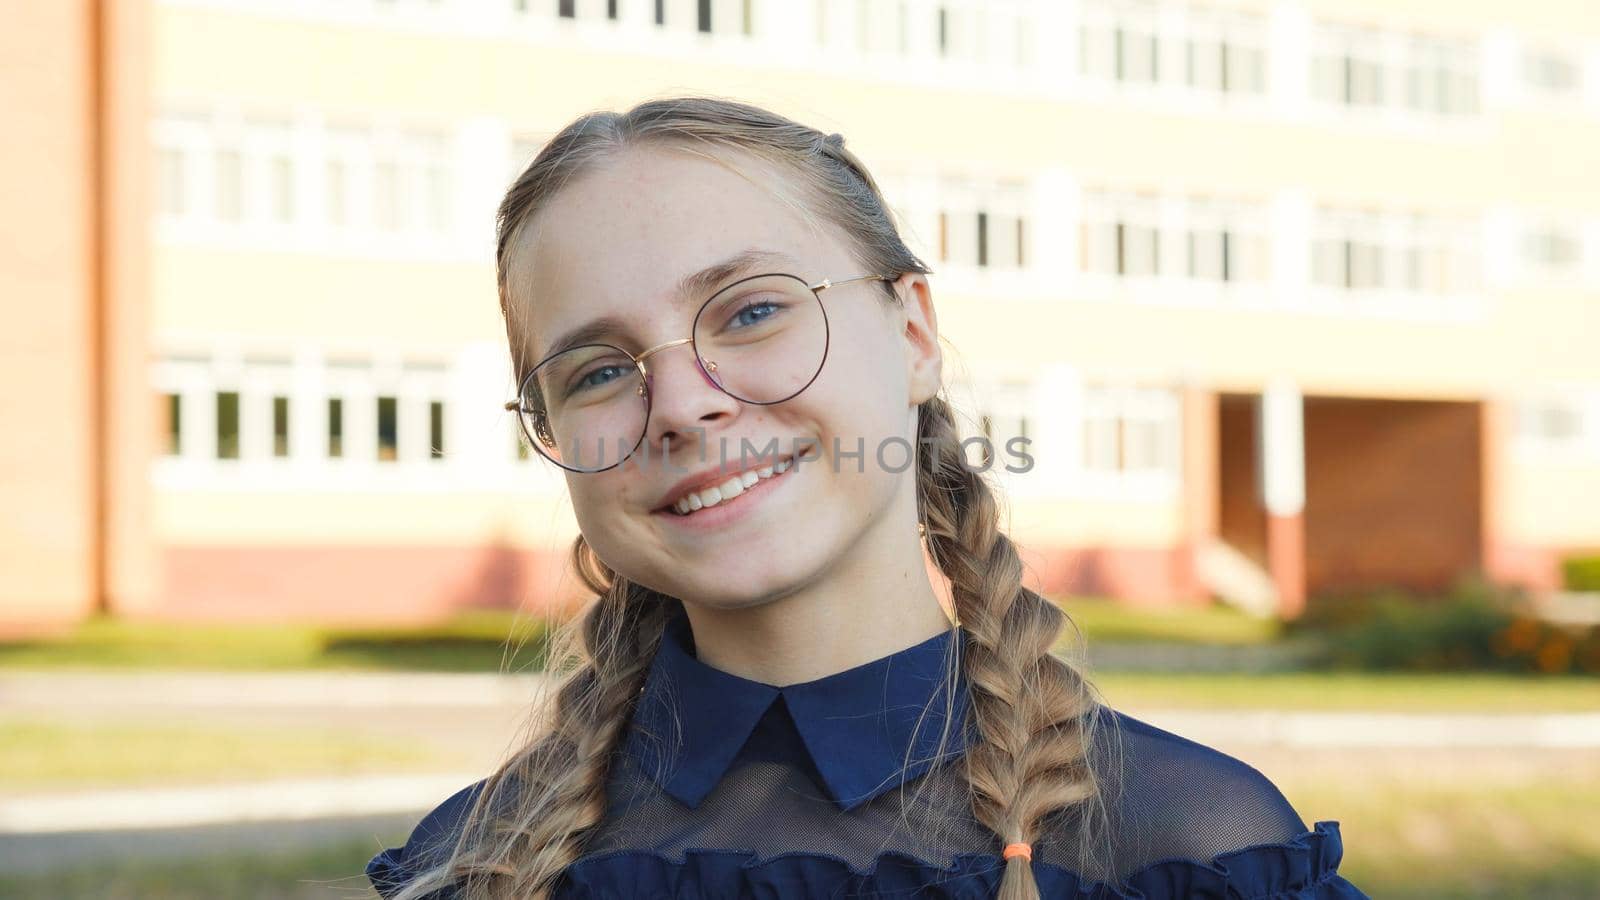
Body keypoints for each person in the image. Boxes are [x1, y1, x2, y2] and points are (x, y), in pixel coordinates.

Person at [365, 96, 1368, 900]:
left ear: (913, 334)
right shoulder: (470, 865)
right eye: (594, 370)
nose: (677, 405)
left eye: (752, 311)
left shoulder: (1181, 848)